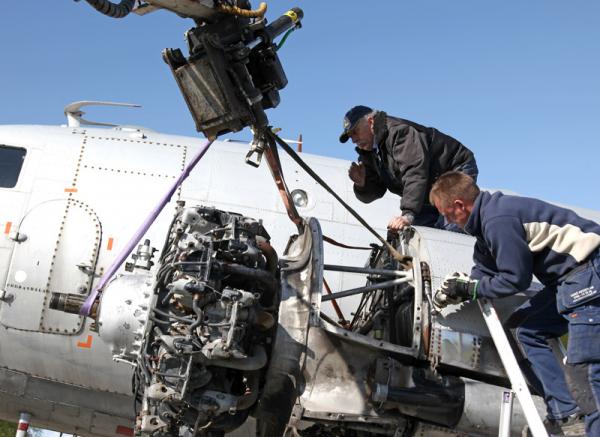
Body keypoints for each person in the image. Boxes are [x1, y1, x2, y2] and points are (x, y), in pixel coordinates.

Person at [429, 171, 597, 436]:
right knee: (522, 330)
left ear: (460, 205)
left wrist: (473, 289)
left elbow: (514, 279)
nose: (447, 221)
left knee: (585, 372)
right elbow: (483, 269)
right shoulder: (485, 226)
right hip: (567, 282)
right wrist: (459, 290)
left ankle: (582, 424)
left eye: (447, 213)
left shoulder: (498, 219)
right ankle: (565, 412)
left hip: (589, 273)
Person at [339, 105, 478, 231]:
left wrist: (408, 214)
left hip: (453, 169)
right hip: (426, 187)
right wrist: (362, 183)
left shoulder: (399, 133)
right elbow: (377, 189)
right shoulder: (369, 153)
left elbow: (414, 172)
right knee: (422, 235)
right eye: (350, 136)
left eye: (355, 132)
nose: (353, 140)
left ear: (371, 122)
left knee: (451, 228)